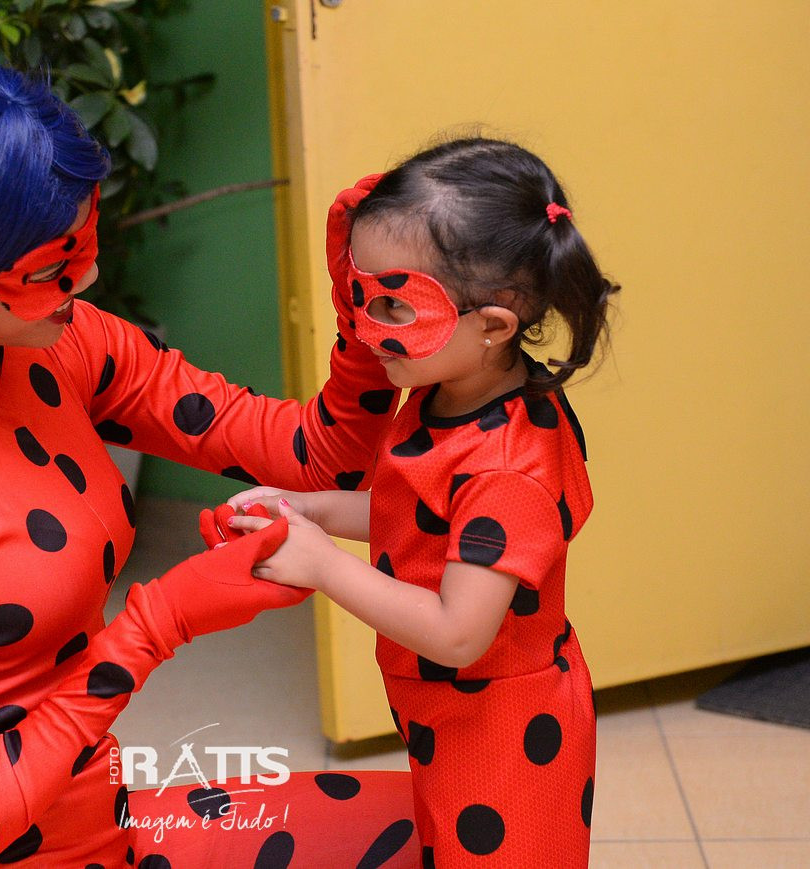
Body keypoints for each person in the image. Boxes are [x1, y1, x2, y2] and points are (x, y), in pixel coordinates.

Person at [0, 42, 420, 868]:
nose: (85, 280)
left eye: (83, 240)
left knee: (437, 828)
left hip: (103, 827)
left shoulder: (60, 344)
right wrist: (159, 621)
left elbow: (321, 458)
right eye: (52, 266)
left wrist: (366, 315)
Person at [225, 137, 619, 867]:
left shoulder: (510, 467)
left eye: (395, 306)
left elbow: (458, 633)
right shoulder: (442, 392)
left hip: (504, 734)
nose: (366, 326)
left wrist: (323, 566)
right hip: (444, 711)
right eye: (362, 296)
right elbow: (415, 514)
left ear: (493, 325)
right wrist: (310, 510)